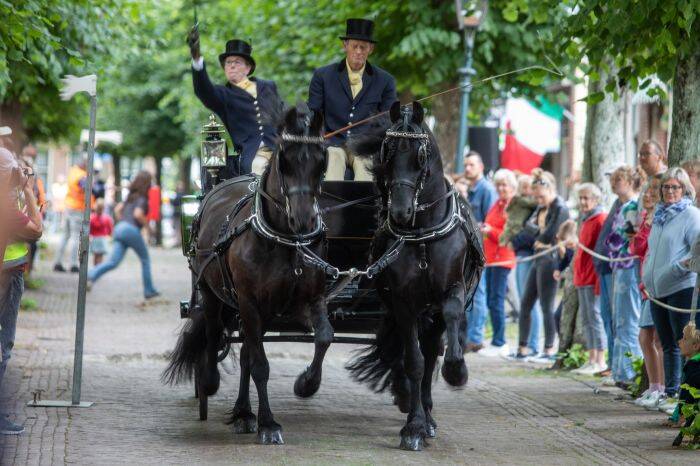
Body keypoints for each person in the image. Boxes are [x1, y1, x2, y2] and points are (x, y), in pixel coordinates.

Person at [308, 18, 397, 181]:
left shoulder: (385, 81)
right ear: (345, 46)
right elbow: (314, 112)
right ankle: (332, 204)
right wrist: (318, 137)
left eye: (363, 47)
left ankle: (363, 206)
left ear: (371, 49)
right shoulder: (323, 76)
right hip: (332, 144)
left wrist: (373, 141)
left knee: (366, 169)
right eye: (354, 46)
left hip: (365, 147)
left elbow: (388, 119)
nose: (358, 51)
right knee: (334, 159)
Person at [643, 167, 700, 414]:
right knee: (665, 342)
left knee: (682, 342)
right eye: (666, 187)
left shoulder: (690, 215)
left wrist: (678, 267)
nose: (670, 192)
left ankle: (683, 395)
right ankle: (669, 391)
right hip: (657, 290)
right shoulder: (659, 215)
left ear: (685, 189)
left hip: (680, 287)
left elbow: (696, 249)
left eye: (675, 187)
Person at [188, 27, 283, 176]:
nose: (231, 65)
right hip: (252, 156)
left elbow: (283, 115)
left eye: (237, 62)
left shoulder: (268, 86)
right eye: (228, 62)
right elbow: (203, 90)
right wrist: (196, 58)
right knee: (263, 168)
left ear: (248, 68)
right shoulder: (223, 95)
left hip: (281, 148)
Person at [0, 147, 43, 435]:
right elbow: (37, 231)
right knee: (3, 346)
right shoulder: (7, 208)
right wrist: (28, 190)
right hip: (7, 278)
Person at [516, 169, 569, 361]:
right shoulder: (541, 207)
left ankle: (548, 349)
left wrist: (540, 234)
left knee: (547, 306)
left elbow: (551, 234)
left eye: (540, 196)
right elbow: (526, 226)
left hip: (550, 257)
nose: (538, 200)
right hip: (538, 256)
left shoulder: (560, 208)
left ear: (550, 190)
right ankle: (522, 348)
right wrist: (540, 233)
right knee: (525, 303)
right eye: (535, 197)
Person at [87, 171, 159, 299]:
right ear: (146, 183)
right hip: (131, 229)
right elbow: (138, 214)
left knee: (113, 262)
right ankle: (149, 290)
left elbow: (117, 209)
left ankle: (90, 274)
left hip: (120, 228)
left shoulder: (131, 197)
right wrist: (148, 227)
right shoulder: (142, 199)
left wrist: (123, 222)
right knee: (145, 260)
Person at [604, 166, 645, 388]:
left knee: (628, 319)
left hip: (628, 266)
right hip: (619, 267)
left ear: (630, 181)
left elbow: (623, 237)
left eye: (618, 179)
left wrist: (611, 244)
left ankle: (630, 372)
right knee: (618, 318)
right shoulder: (621, 207)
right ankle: (620, 370)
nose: (614, 183)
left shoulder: (633, 206)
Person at [630, 175, 666, 408]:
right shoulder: (646, 218)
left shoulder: (660, 219)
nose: (649, 195)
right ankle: (654, 386)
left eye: (654, 191)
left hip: (657, 283)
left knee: (657, 339)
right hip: (645, 283)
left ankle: (662, 388)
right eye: (647, 191)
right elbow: (637, 247)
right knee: (645, 337)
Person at [568, 183, 608, 375]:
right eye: (581, 198)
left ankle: (600, 359)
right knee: (586, 318)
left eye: (587, 198)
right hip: (581, 275)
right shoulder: (584, 219)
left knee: (595, 316)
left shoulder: (600, 219)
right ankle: (591, 357)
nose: (583, 202)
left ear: (595, 199)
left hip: (592, 275)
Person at [479, 169, 517, 357]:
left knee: (497, 301)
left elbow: (508, 236)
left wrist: (490, 230)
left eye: (505, 185)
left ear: (512, 187)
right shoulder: (497, 204)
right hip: (491, 259)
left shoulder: (511, 207)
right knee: (491, 300)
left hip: (503, 258)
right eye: (499, 185)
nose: (501, 188)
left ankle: (500, 341)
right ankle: (495, 339)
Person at [463, 152, 497, 352]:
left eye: (472, 165)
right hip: (466, 250)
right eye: (466, 165)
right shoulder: (470, 189)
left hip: (480, 250)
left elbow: (489, 222)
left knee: (479, 292)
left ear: (481, 167)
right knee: (468, 292)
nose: (468, 168)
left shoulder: (486, 190)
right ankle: (466, 336)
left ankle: (475, 338)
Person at [506, 175, 542, 356]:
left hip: (528, 254)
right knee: (523, 302)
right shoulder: (522, 205)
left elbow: (530, 232)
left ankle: (533, 344)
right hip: (521, 254)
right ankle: (526, 343)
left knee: (529, 302)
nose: (527, 191)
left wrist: (515, 241)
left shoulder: (535, 207)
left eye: (529, 187)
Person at [53, 159, 92, 273]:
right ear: (85, 164)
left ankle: (57, 262)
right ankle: (73, 264)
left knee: (65, 236)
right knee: (75, 237)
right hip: (77, 209)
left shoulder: (73, 171)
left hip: (69, 207)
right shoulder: (81, 175)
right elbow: (86, 187)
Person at [89, 199, 113, 266]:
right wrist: (110, 235)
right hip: (102, 239)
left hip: (94, 239)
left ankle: (95, 268)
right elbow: (110, 229)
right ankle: (98, 268)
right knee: (100, 256)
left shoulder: (91, 218)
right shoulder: (107, 218)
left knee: (95, 255)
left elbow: (90, 229)